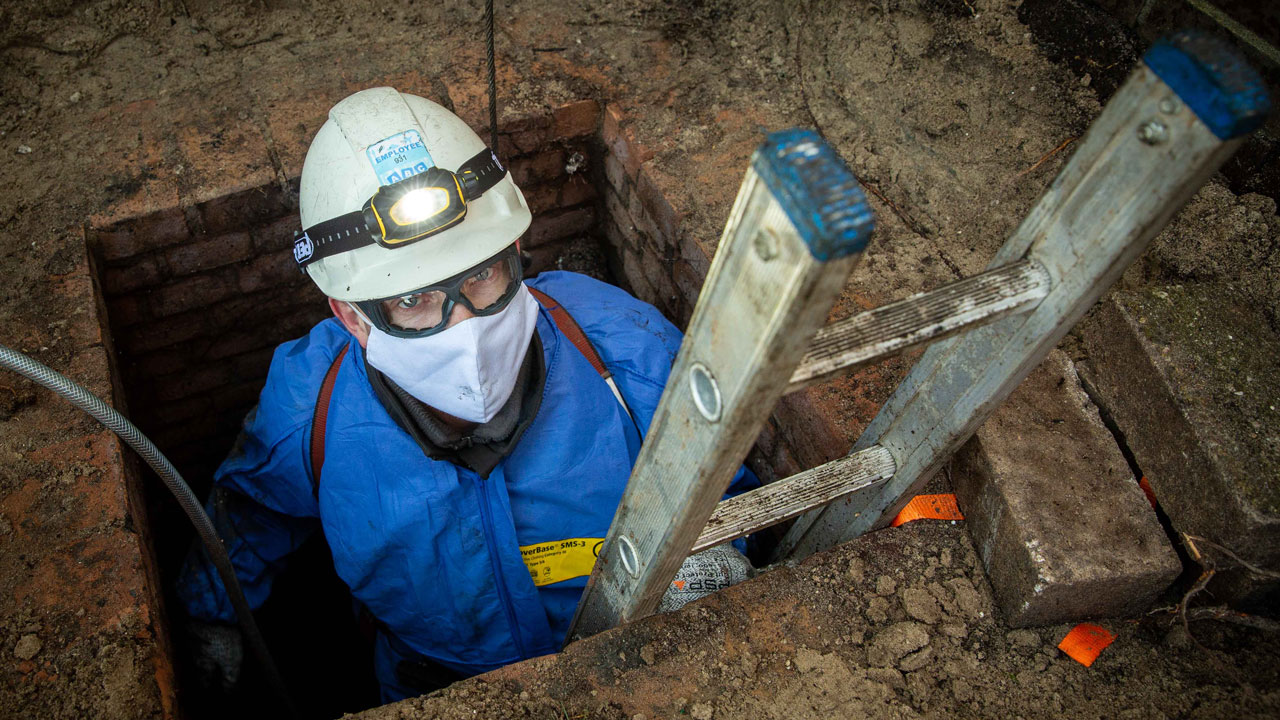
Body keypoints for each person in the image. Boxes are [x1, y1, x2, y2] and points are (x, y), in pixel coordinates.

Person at [176, 87, 756, 703]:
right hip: (432, 688)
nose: (464, 326)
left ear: (513, 255)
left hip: (628, 666)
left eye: (480, 275)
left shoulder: (619, 347)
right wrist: (212, 613)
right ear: (351, 316)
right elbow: (253, 509)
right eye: (412, 301)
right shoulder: (311, 409)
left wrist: (722, 545)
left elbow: (714, 466)